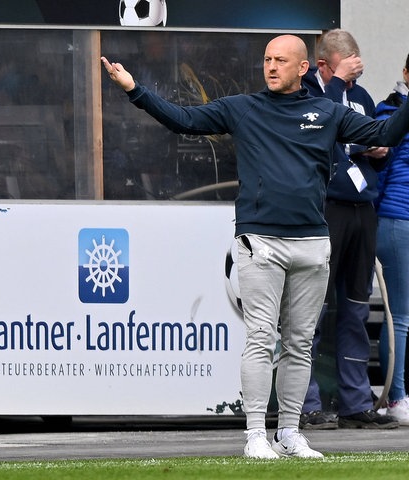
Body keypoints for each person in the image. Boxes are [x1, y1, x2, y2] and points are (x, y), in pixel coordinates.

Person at [101, 34, 409, 459]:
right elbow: (183, 120)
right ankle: (254, 436)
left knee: (300, 344)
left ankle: (289, 433)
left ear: (303, 68)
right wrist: (136, 91)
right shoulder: (243, 107)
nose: (271, 66)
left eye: (281, 60)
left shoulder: (328, 111)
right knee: (262, 339)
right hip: (260, 240)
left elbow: (387, 131)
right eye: (267, 59)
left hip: (312, 244)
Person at [300, 29, 398, 430]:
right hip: (323, 210)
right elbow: (313, 130)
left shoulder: (360, 96)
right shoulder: (306, 92)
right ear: (324, 65)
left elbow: (370, 141)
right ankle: (305, 405)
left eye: (356, 75)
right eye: (347, 73)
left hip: (362, 209)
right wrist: (337, 83)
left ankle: (356, 402)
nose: (353, 83)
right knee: (310, 312)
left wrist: (379, 151)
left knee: (356, 310)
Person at [374, 53, 409, 426]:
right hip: (397, 219)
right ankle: (395, 398)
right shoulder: (390, 110)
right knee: (399, 315)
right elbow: (379, 171)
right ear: (405, 73)